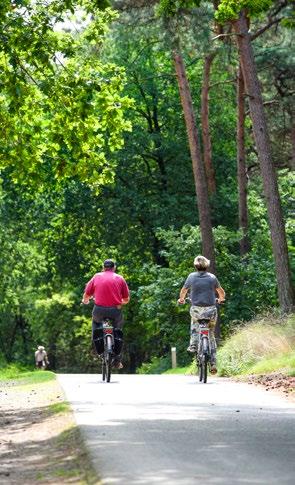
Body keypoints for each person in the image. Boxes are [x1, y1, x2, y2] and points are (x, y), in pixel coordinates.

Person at [178, 255, 225, 374]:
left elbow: (184, 290)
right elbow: (221, 292)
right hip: (210, 310)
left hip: (196, 310)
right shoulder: (212, 277)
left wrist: (182, 299)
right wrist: (221, 299)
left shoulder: (191, 277)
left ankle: (193, 344)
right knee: (211, 335)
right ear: (206, 265)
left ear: (195, 266)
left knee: (194, 324)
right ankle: (213, 363)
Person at [82, 259, 130, 369]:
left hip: (99, 310)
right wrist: (119, 303)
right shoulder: (120, 278)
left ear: (103, 267)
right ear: (114, 268)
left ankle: (98, 348)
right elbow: (126, 299)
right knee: (118, 330)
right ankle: (117, 360)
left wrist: (85, 301)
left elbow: (87, 294)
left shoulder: (96, 276)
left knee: (95, 324)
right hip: (115, 311)